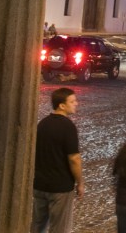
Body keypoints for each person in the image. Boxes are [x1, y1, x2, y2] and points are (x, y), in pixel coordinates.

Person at [32, 87, 83, 233]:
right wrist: (80, 182)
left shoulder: (42, 124)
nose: (76, 104)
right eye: (72, 101)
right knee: (60, 228)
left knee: (37, 226)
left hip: (40, 185)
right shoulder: (68, 127)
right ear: (62, 105)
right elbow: (74, 158)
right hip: (60, 187)